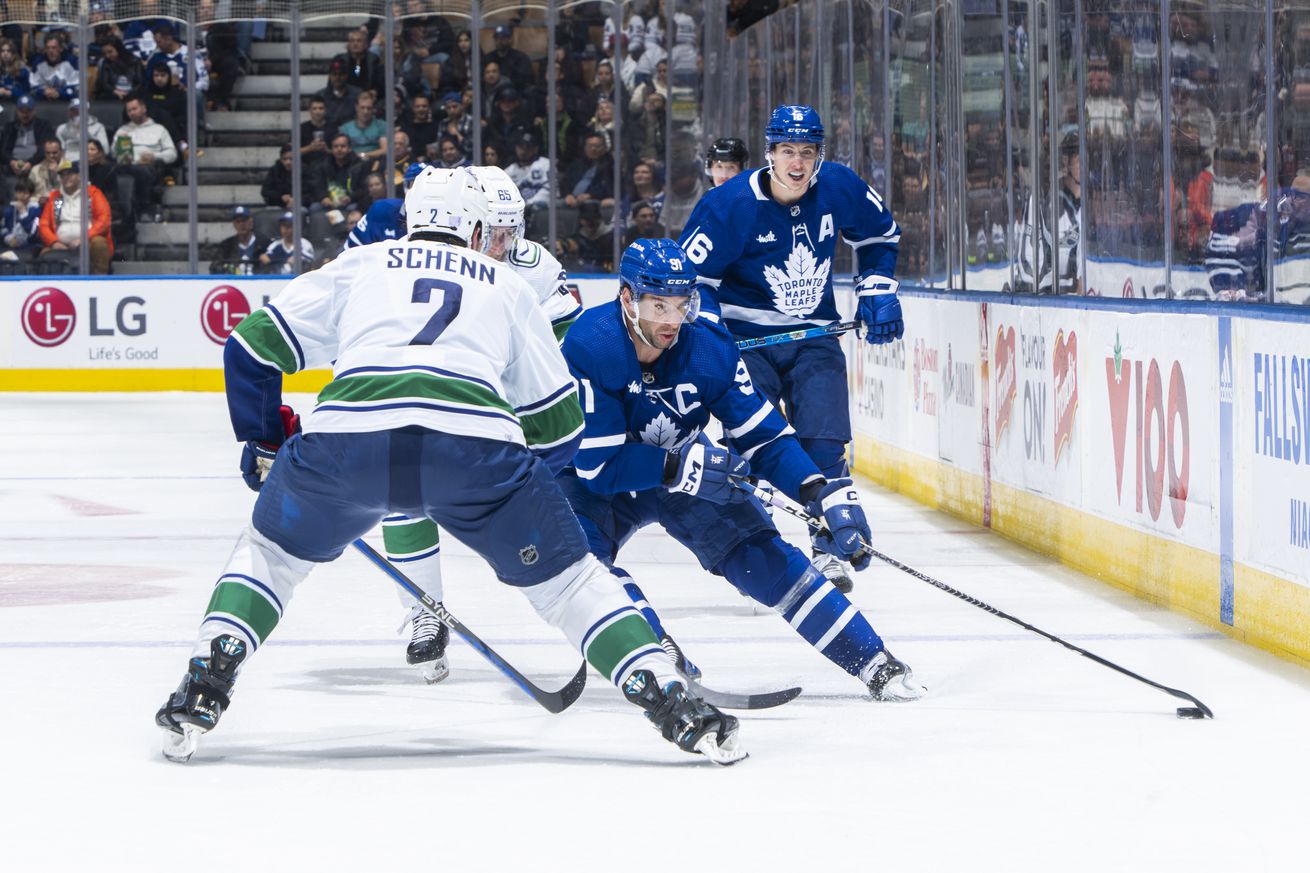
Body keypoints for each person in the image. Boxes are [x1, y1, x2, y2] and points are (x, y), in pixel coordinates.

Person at [154, 166, 743, 766]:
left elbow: (250, 346)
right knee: (571, 584)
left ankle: (207, 678)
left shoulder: (361, 263)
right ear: (474, 226)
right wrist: (522, 484)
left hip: (347, 442)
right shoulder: (508, 285)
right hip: (476, 452)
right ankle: (670, 701)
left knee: (270, 556)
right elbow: (562, 424)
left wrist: (263, 440)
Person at [558, 237, 923, 702]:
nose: (671, 320)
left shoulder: (709, 346)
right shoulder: (592, 343)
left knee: (763, 558)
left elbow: (764, 436)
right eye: (658, 305)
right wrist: (679, 466)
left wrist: (818, 491)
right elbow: (598, 466)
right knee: (579, 563)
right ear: (627, 297)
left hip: (683, 458)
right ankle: (651, 647)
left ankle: (873, 660)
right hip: (599, 476)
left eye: (681, 304)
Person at [678, 105, 902, 593]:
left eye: (806, 152)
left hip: (814, 334)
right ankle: (763, 552)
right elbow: (692, 283)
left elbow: (880, 234)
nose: (797, 164)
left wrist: (878, 287)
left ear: (819, 155)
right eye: (786, 152)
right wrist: (713, 335)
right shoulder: (729, 205)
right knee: (758, 446)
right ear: (769, 153)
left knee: (824, 441)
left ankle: (827, 546)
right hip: (746, 343)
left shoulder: (838, 186)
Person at [377, 164, 582, 678]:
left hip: (516, 410)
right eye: (496, 230)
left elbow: (572, 340)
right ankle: (424, 612)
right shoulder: (421, 261)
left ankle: (591, 615)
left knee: (549, 516)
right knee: (402, 497)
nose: (505, 242)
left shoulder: (532, 267)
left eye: (514, 229)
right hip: (447, 400)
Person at [38, 159, 114, 274]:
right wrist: (54, 242)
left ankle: (99, 280)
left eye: (70, 174)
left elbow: (104, 220)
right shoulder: (56, 198)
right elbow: (44, 224)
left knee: (99, 244)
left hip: (89, 241)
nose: (66, 178)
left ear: (79, 175)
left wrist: (83, 238)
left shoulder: (92, 194)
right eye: (63, 175)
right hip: (60, 243)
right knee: (44, 254)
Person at [113, 95, 176, 223]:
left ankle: (145, 209)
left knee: (143, 171)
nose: (131, 113)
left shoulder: (159, 129)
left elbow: (172, 154)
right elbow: (113, 154)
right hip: (127, 165)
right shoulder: (123, 130)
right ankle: (119, 211)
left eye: (134, 109)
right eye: (129, 110)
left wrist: (155, 156)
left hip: (150, 165)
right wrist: (119, 145)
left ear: (143, 108)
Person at [1, 95, 56, 179]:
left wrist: (31, 163)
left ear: (34, 111)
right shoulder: (9, 127)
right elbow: (3, 149)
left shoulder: (43, 125)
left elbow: (44, 148)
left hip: (36, 164)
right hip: (12, 166)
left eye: (28, 111)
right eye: (22, 111)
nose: (25, 114)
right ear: (17, 111)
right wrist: (11, 162)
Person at [208, 204, 267, 274]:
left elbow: (273, 267)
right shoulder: (226, 245)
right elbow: (215, 267)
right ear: (234, 224)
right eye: (238, 222)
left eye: (244, 221)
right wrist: (228, 269)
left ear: (251, 222)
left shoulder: (264, 243)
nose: (241, 224)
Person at [506, 130, 551, 217]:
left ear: (535, 149)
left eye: (528, 147)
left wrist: (529, 204)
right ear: (516, 148)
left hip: (542, 211)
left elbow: (550, 190)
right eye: (521, 147)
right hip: (516, 213)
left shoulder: (546, 164)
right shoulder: (509, 171)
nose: (524, 151)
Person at [1, 177, 42, 262]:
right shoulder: (9, 209)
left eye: (25, 193)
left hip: (30, 246)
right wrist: (9, 239)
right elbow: (3, 228)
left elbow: (34, 234)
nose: (21, 196)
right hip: (10, 245)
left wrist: (23, 213)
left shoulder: (36, 210)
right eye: (19, 192)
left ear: (31, 194)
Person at [339, 92, 387, 163]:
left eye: (369, 108)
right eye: (362, 107)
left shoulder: (382, 125)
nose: (365, 111)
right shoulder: (345, 128)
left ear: (373, 109)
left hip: (376, 163)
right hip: (351, 163)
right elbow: (343, 151)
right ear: (356, 107)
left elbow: (385, 150)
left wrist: (364, 155)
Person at [316, 59, 363, 131]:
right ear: (330, 76)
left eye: (341, 74)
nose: (337, 77)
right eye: (334, 74)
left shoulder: (357, 94)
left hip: (352, 134)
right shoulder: (320, 96)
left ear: (346, 75)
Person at [30, 34, 78, 101]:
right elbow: (33, 88)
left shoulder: (72, 62)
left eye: (54, 47)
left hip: (67, 103)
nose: (51, 51)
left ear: (61, 48)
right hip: (44, 104)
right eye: (48, 48)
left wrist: (60, 93)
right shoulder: (38, 63)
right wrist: (43, 92)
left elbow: (76, 88)